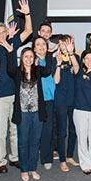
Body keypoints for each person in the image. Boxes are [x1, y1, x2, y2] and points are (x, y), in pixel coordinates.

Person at [0, 0, 33, 173]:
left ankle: (15, 158)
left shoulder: (11, 43)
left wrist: (26, 14)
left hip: (14, 94)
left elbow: (28, 31)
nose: (2, 34)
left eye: (4, 31)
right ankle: (0, 161)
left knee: (14, 128)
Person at [7, 45, 52, 181]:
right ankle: (24, 169)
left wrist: (48, 53)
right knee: (23, 141)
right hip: (22, 112)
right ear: (22, 58)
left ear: (34, 58)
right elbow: (9, 69)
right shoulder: (17, 72)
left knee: (35, 141)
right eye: (26, 56)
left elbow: (48, 71)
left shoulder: (38, 70)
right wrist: (10, 52)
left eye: (31, 56)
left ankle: (33, 168)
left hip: (37, 111)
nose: (28, 59)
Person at [53, 35, 81, 172]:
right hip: (60, 100)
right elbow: (56, 81)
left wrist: (71, 54)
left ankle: (70, 155)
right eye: (62, 44)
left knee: (73, 129)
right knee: (62, 130)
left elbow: (77, 70)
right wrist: (58, 65)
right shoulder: (55, 59)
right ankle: (62, 159)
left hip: (74, 99)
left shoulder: (75, 57)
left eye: (67, 44)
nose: (64, 46)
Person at [34, 36, 57, 170]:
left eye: (44, 44)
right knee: (36, 129)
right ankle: (35, 154)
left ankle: (47, 158)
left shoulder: (51, 60)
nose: (41, 47)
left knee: (48, 129)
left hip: (50, 98)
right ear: (34, 47)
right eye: (38, 44)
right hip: (35, 99)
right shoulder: (30, 60)